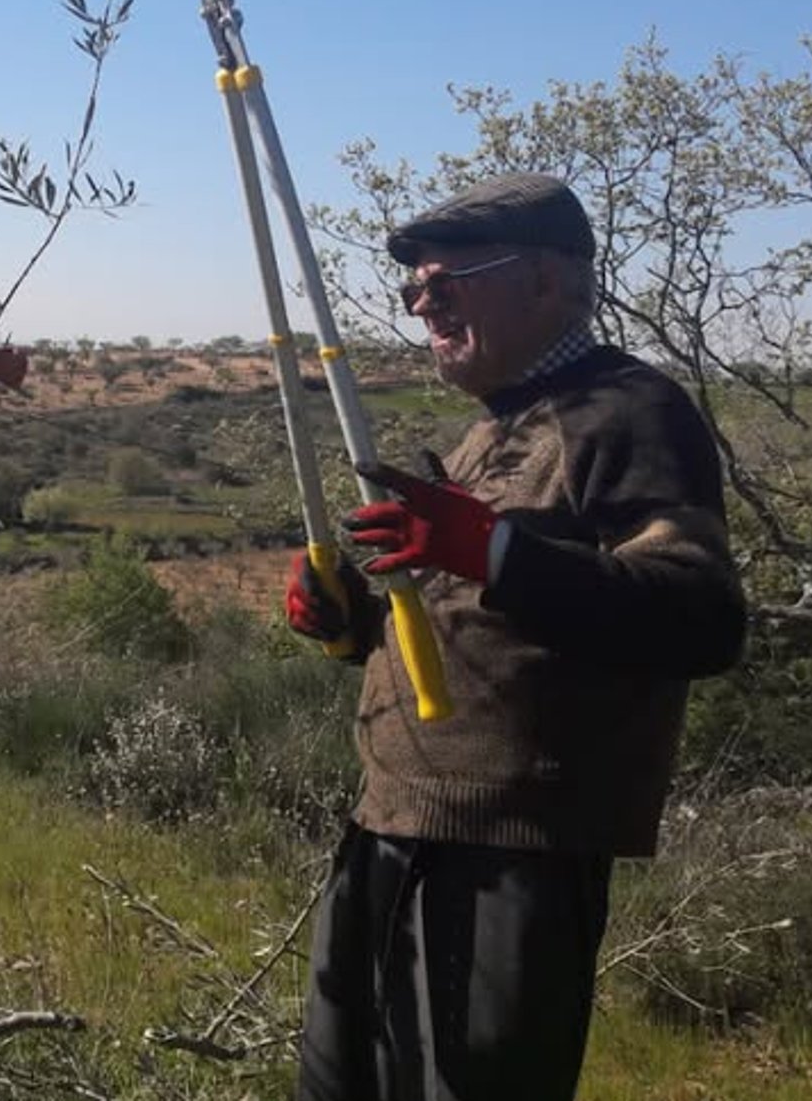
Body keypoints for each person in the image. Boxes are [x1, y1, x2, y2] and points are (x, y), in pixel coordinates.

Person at [283, 172, 747, 1101]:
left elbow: (701, 616)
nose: (422, 304)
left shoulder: (628, 410)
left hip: (512, 851)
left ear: (544, 281)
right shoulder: (492, 433)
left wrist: (491, 548)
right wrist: (351, 627)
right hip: (392, 824)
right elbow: (475, 620)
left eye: (444, 282)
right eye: (412, 289)